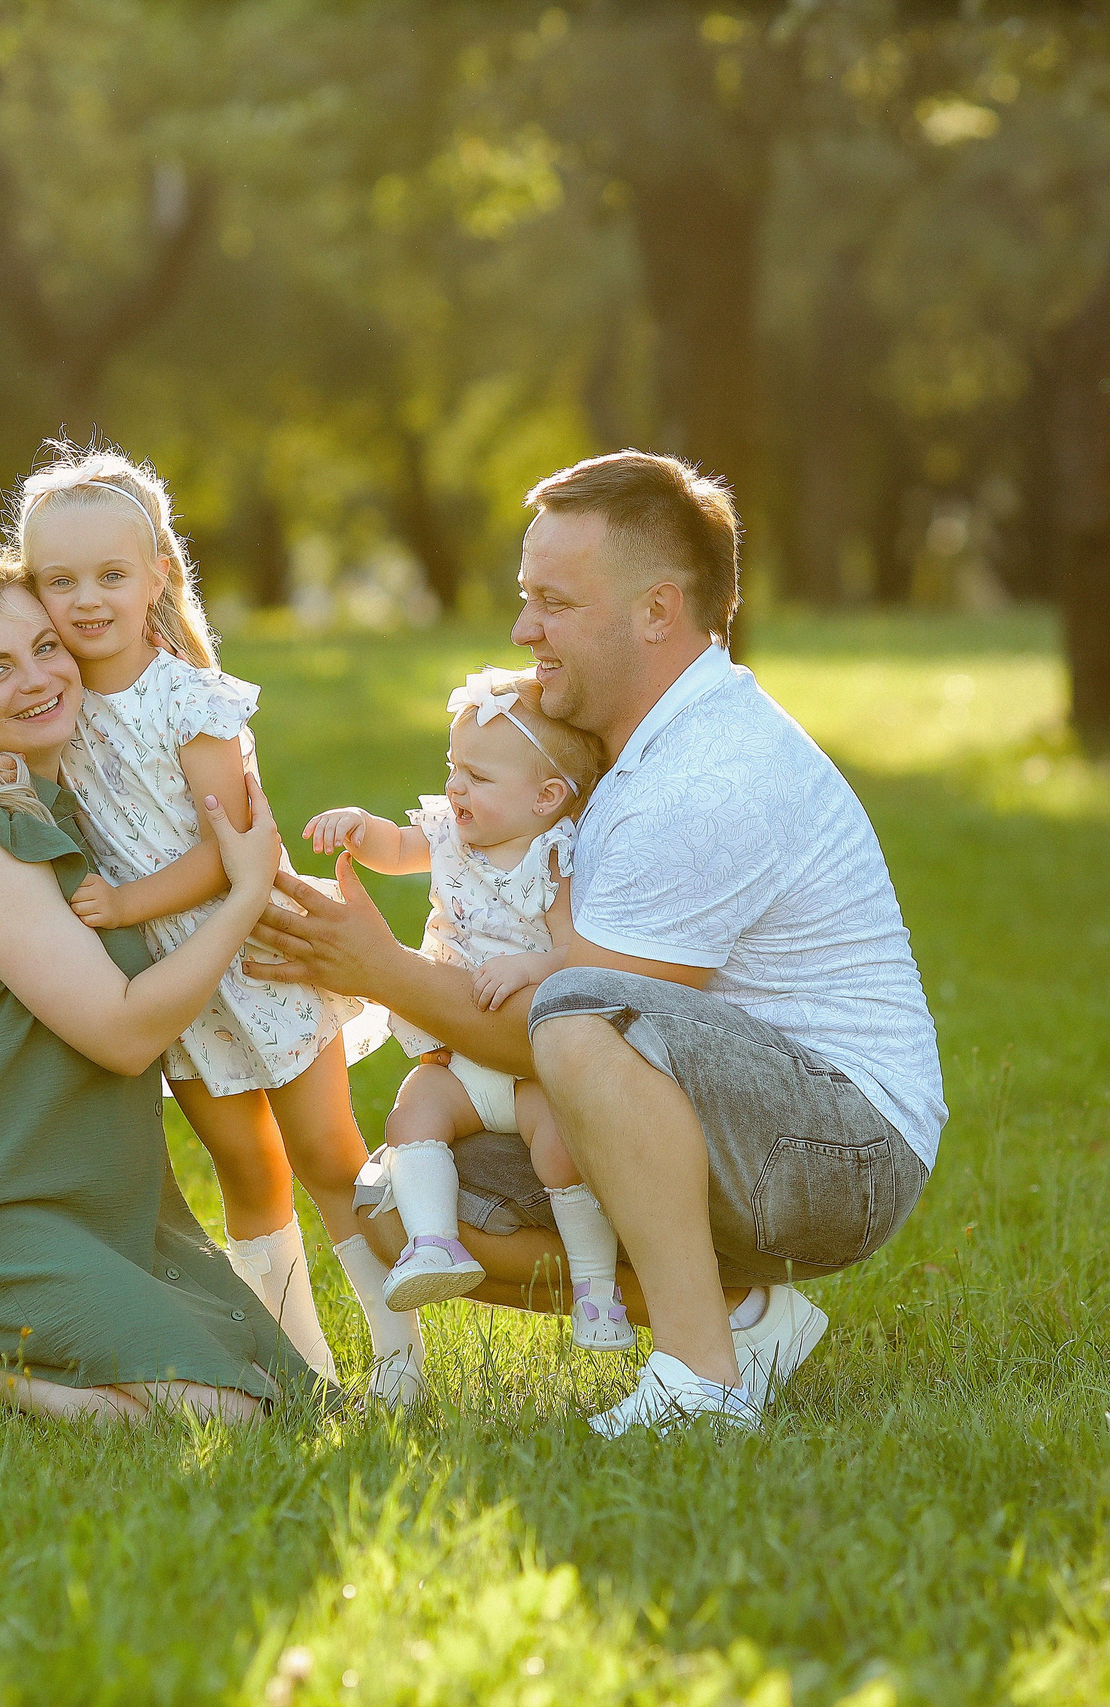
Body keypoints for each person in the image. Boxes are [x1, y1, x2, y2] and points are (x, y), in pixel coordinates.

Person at [252, 451, 945, 1435]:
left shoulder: (707, 771)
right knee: (396, 1207)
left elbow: (569, 1030)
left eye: (552, 602)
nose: (522, 630)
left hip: (838, 1144)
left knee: (580, 1015)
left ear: (657, 611)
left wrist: (379, 970)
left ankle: (702, 1386)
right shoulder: (628, 752)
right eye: (525, 599)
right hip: (723, 1112)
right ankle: (747, 1321)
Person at [0, 543, 321, 1423]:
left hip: (104, 1205)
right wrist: (242, 894)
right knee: (224, 1415)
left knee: (289, 1401)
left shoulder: (67, 814)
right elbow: (126, 1031)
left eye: (45, 649)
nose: (36, 679)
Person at [16, 445, 425, 1403]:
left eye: (111, 575)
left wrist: (124, 904)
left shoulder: (188, 701)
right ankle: (301, 1368)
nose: (85, 600)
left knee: (328, 1154)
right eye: (57, 580)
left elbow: (228, 853)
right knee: (246, 1168)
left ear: (158, 574)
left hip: (259, 952)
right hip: (179, 981)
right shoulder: (56, 705)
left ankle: (399, 1359)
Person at [301, 666, 633, 1350]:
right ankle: (433, 1243)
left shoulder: (553, 860)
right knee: (410, 1115)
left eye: (477, 778)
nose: (455, 788)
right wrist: (359, 828)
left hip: (529, 1065)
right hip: (455, 1054)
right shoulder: (449, 835)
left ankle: (598, 1288)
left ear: (546, 797)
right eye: (454, 768)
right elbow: (396, 848)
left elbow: (577, 954)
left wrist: (529, 966)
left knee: (560, 1150)